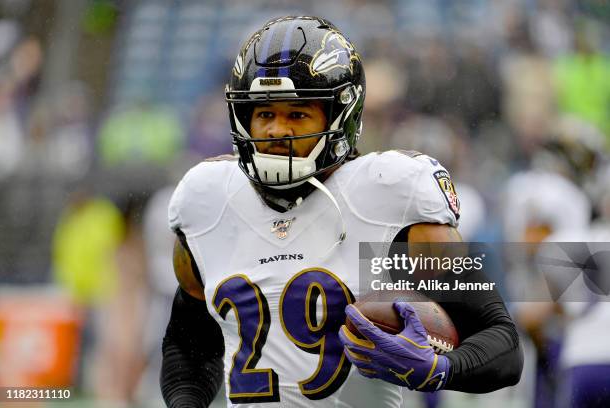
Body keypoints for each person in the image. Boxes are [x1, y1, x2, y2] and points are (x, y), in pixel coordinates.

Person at [160, 16, 523, 408]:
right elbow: (190, 343)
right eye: (264, 114)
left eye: (297, 114)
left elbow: (502, 343)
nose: (275, 131)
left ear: (340, 117)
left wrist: (440, 369)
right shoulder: (211, 200)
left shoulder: (386, 197)